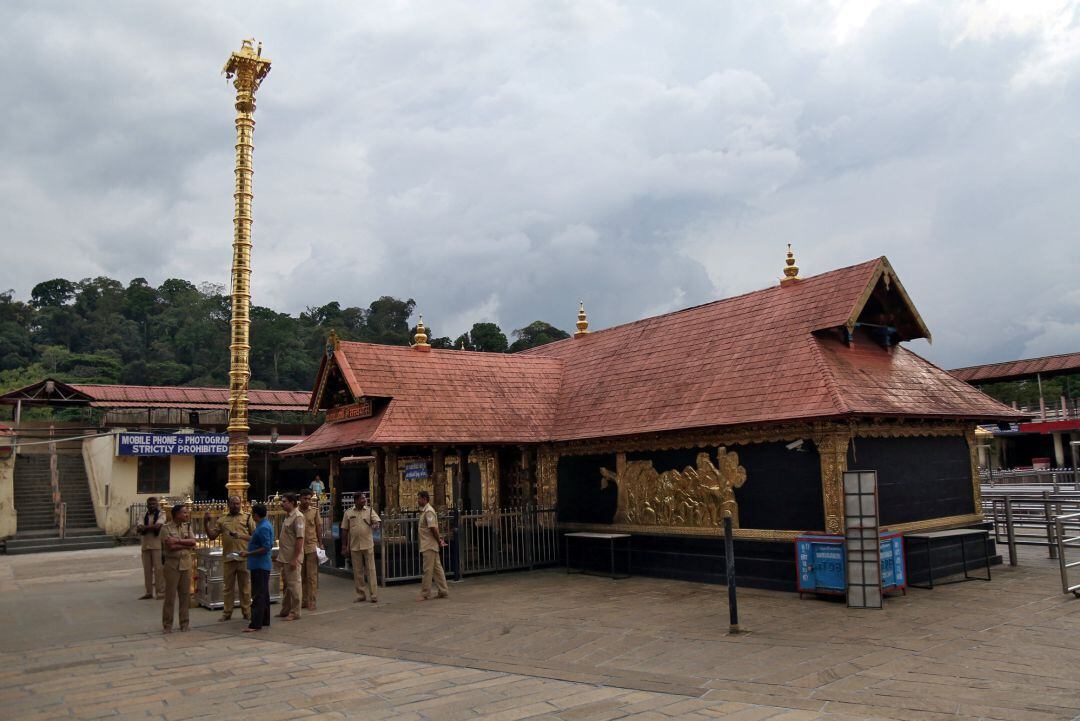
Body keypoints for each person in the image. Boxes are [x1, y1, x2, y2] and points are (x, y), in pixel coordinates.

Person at [205, 495, 256, 621]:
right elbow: (212, 536)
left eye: (238, 503)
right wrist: (205, 524)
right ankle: (227, 613)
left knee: (245, 587)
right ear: (228, 504)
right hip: (228, 558)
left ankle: (247, 612)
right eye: (233, 504)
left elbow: (255, 536)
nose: (236, 506)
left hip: (243, 557)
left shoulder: (248, 517)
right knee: (228, 588)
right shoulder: (222, 520)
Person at [160, 503, 197, 633]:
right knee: (170, 596)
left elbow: (193, 542)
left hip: (186, 564)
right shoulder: (166, 528)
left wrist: (178, 541)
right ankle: (167, 624)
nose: (186, 515)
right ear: (176, 514)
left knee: (185, 595)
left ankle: (184, 623)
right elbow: (170, 546)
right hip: (172, 565)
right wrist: (185, 544)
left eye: (187, 513)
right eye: (184, 513)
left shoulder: (187, 526)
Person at [239, 503, 274, 633]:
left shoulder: (263, 527)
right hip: (259, 564)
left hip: (260, 564)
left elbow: (266, 547)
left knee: (258, 594)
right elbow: (255, 539)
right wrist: (240, 536)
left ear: (256, 515)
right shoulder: (262, 525)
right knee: (263, 593)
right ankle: (264, 619)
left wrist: (248, 553)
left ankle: (255, 623)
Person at [340, 492, 380, 603]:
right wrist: (343, 546)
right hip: (354, 545)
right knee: (358, 571)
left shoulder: (369, 510)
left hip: (368, 545)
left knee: (371, 570)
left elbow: (377, 522)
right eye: (362, 499)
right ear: (356, 501)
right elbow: (344, 529)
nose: (364, 500)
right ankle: (360, 594)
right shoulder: (348, 513)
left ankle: (374, 594)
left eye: (364, 499)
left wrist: (376, 525)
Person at [276, 492, 305, 621]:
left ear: (292, 503)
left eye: (284, 501)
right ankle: (286, 609)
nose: (282, 504)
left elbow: (300, 539)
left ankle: (295, 611)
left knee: (294, 585)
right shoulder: (288, 517)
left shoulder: (298, 517)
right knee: (287, 586)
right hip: (285, 556)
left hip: (292, 557)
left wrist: (295, 558)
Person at [416, 490, 449, 601]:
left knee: (427, 569)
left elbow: (433, 528)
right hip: (429, 543)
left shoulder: (428, 511)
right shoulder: (424, 511)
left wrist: (439, 540)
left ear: (425, 499)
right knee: (437, 569)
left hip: (429, 544)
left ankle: (425, 593)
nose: (418, 500)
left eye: (419, 498)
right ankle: (443, 590)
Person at [298, 489, 324, 611]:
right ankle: (303, 600)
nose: (307, 501)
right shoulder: (295, 512)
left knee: (311, 576)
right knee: (301, 575)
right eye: (305, 499)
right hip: (299, 547)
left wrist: (321, 543)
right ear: (300, 499)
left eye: (309, 499)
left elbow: (318, 527)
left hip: (311, 546)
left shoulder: (314, 511)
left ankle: (312, 601)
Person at [136, 496, 165, 600]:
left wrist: (145, 527)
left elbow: (158, 527)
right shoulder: (142, 515)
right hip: (145, 545)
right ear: (147, 505)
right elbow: (139, 528)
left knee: (158, 570)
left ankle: (160, 592)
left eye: (154, 504)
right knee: (147, 570)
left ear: (157, 505)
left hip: (157, 545)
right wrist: (149, 527)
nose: (152, 506)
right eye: (150, 504)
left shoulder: (161, 514)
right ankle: (148, 592)